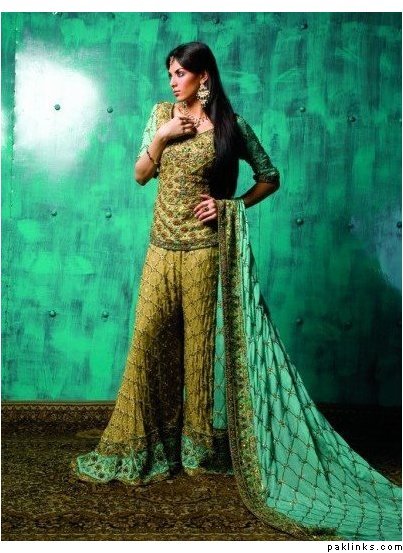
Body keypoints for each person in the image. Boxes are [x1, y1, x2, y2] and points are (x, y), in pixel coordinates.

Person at [71, 41, 402, 541]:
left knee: (198, 350)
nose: (173, 81)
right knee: (147, 341)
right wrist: (162, 136)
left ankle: (196, 449)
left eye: (180, 73)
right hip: (161, 248)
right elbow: (140, 176)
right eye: (170, 73)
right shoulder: (161, 115)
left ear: (203, 77)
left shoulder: (230, 127)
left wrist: (231, 206)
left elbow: (270, 177)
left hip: (205, 251)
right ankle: (146, 442)